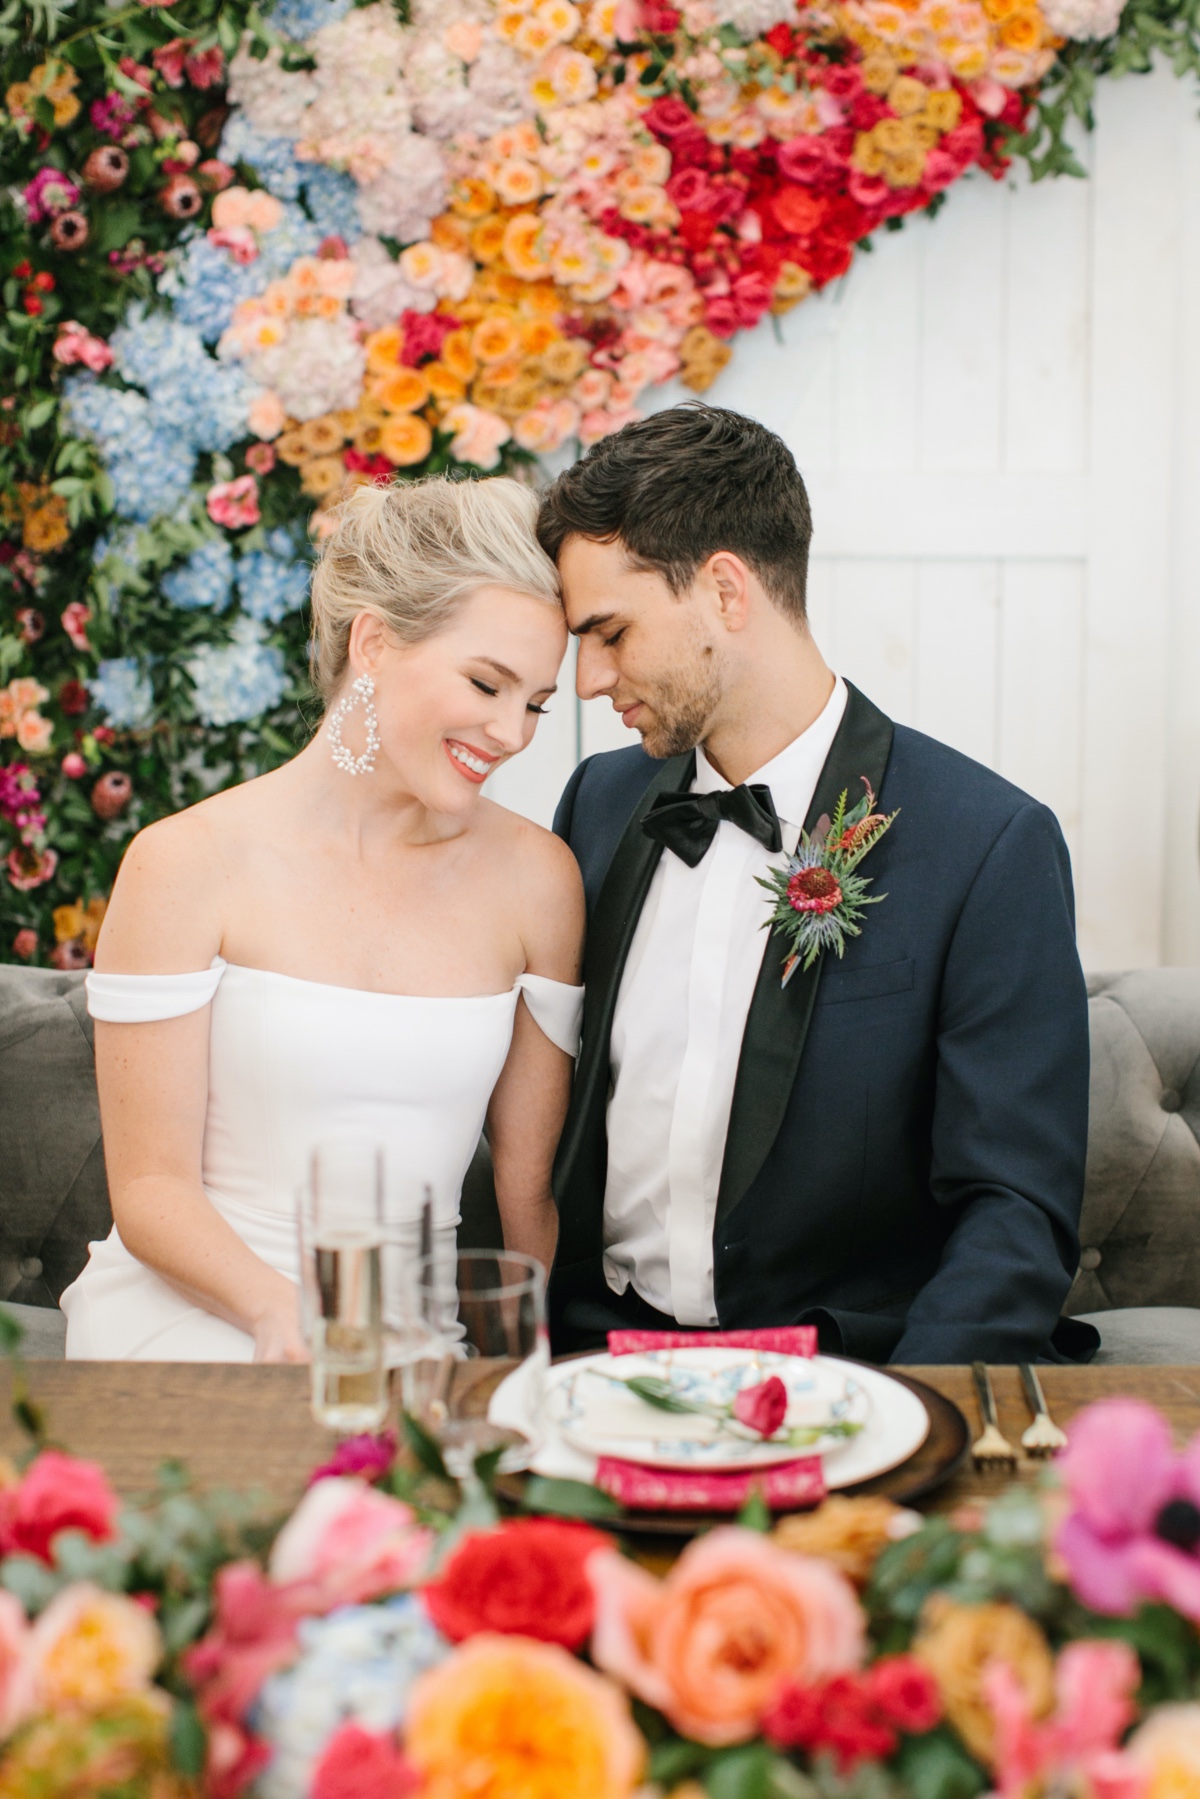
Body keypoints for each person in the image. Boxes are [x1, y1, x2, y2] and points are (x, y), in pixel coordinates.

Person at [539, 404, 1097, 1364]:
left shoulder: (991, 844)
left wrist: (912, 1414)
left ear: (724, 590)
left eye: (611, 632)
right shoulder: (597, 801)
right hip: (597, 1361)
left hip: (850, 1373)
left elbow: (1015, 1208)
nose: (587, 679)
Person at [61, 477, 584, 1361]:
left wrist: (515, 1377)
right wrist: (286, 1317)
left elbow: (527, 1196)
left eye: (534, 701)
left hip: (412, 1348)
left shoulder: (540, 880)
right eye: (486, 683)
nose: (512, 733)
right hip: (199, 1318)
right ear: (373, 642)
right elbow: (150, 1187)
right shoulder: (185, 862)